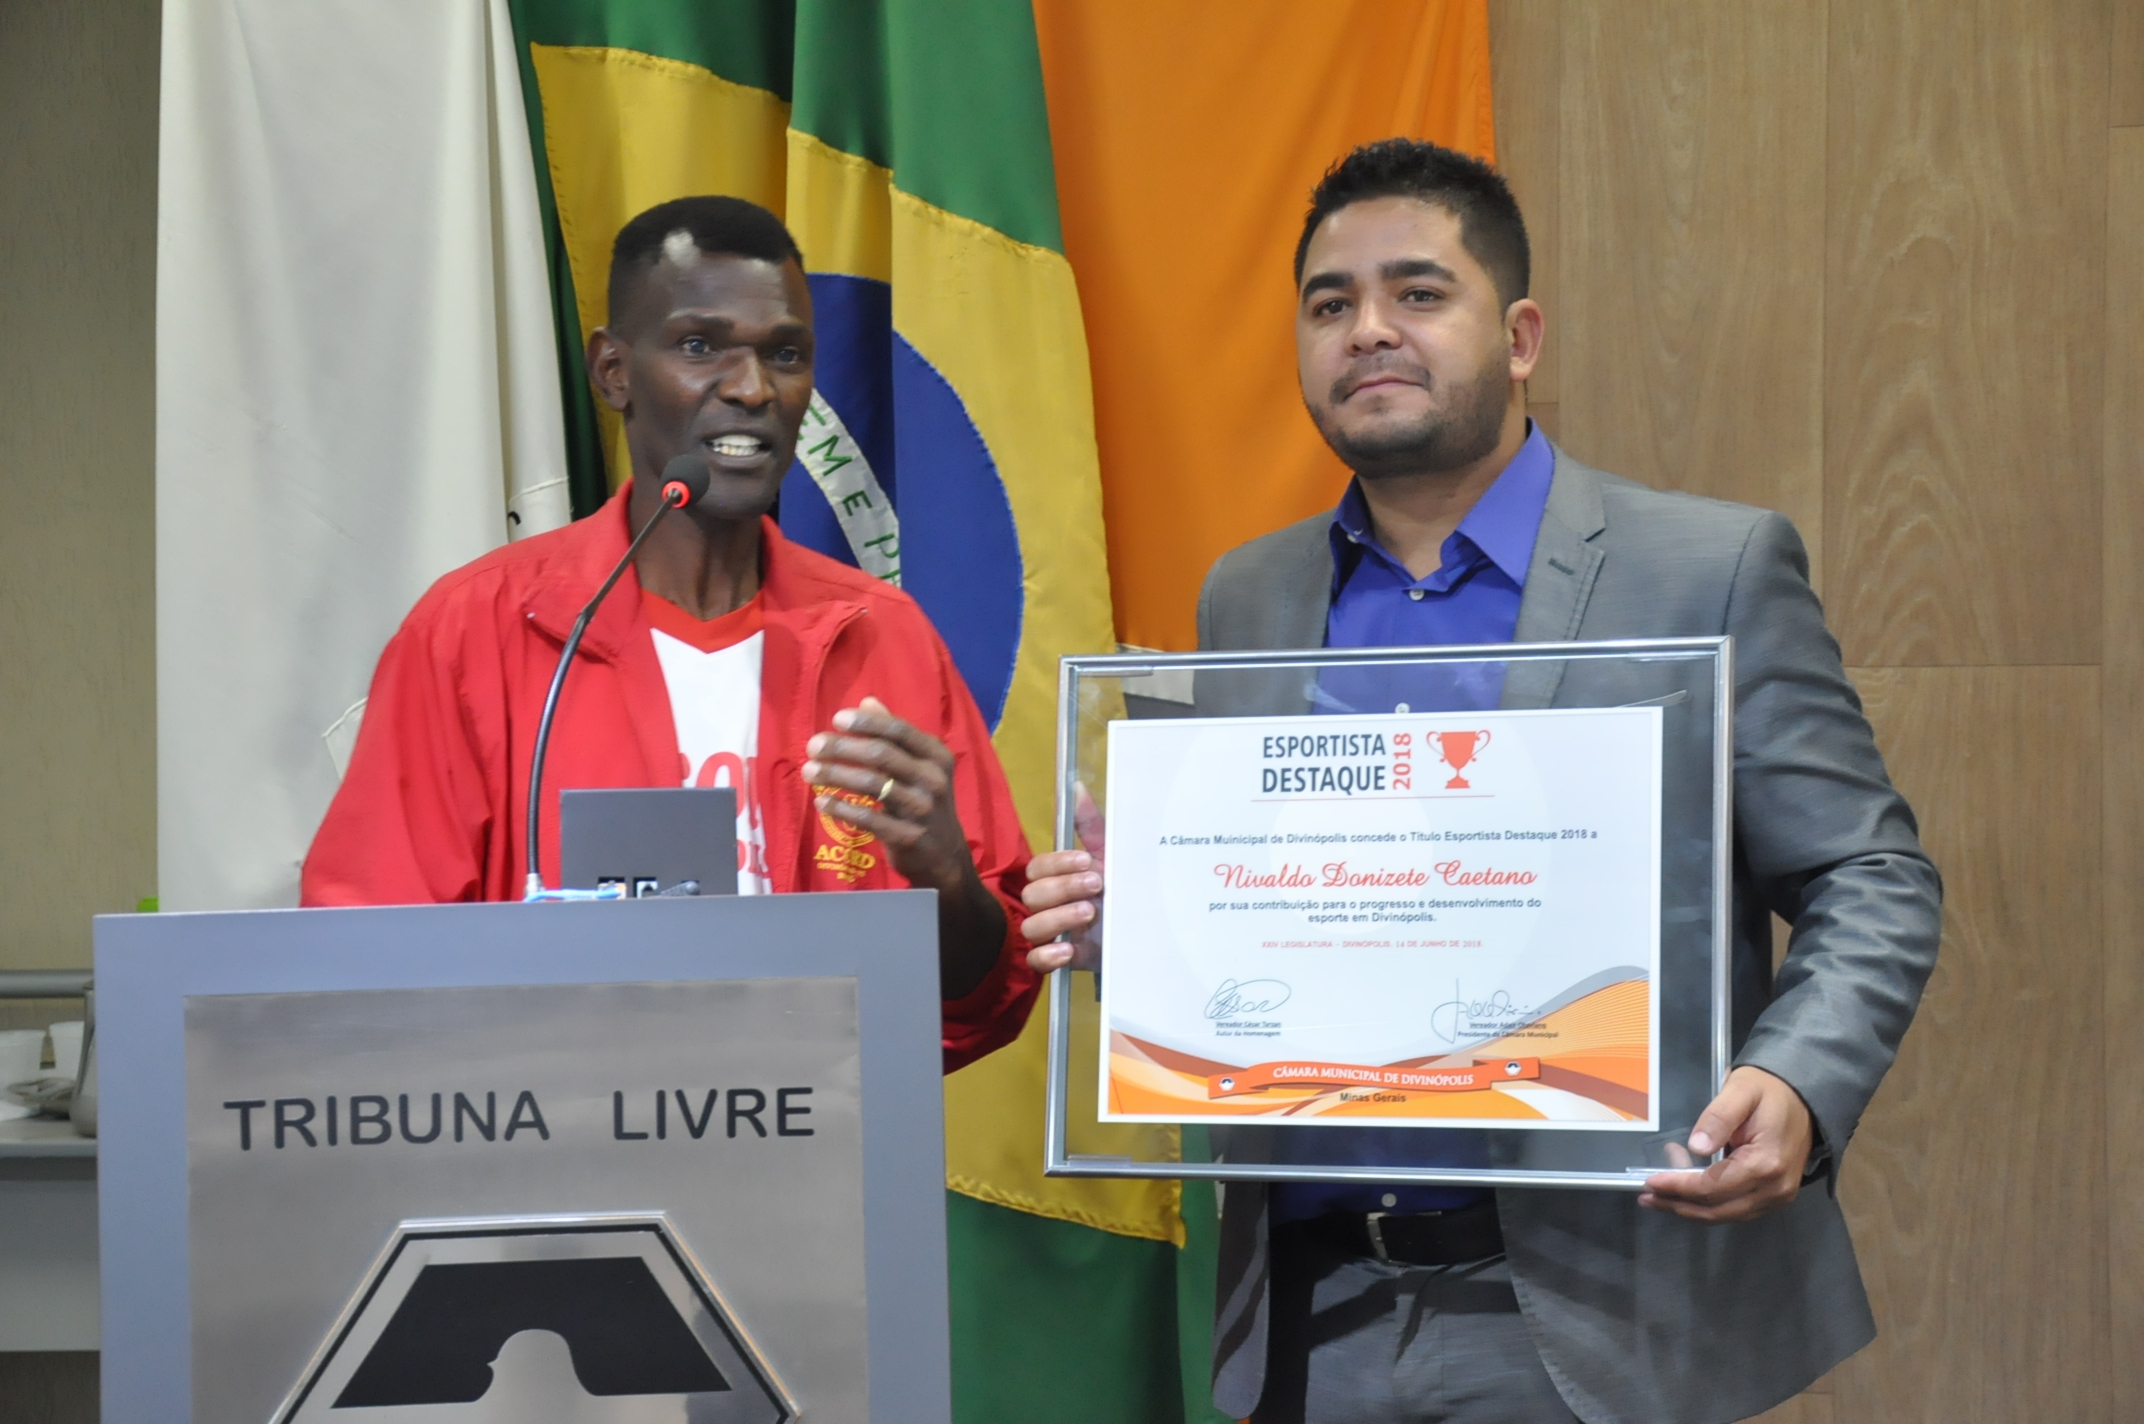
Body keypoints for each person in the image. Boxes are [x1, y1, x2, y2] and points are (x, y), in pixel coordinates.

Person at [1021, 140, 1942, 1423]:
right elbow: (1277, 921)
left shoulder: (1707, 569)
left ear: (1517, 337)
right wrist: (1135, 925)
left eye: (1416, 292)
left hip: (1596, 1311)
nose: (1366, 330)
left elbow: (1868, 872)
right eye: (1329, 304)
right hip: (1309, 1314)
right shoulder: (1251, 595)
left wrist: (1795, 1080)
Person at [304, 195, 1038, 1074]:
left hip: (818, 1143)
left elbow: (978, 1005)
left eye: (785, 354)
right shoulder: (478, 631)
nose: (753, 388)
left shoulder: (883, 637)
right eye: (699, 346)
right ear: (613, 372)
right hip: (547, 1139)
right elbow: (365, 962)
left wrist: (946, 874)